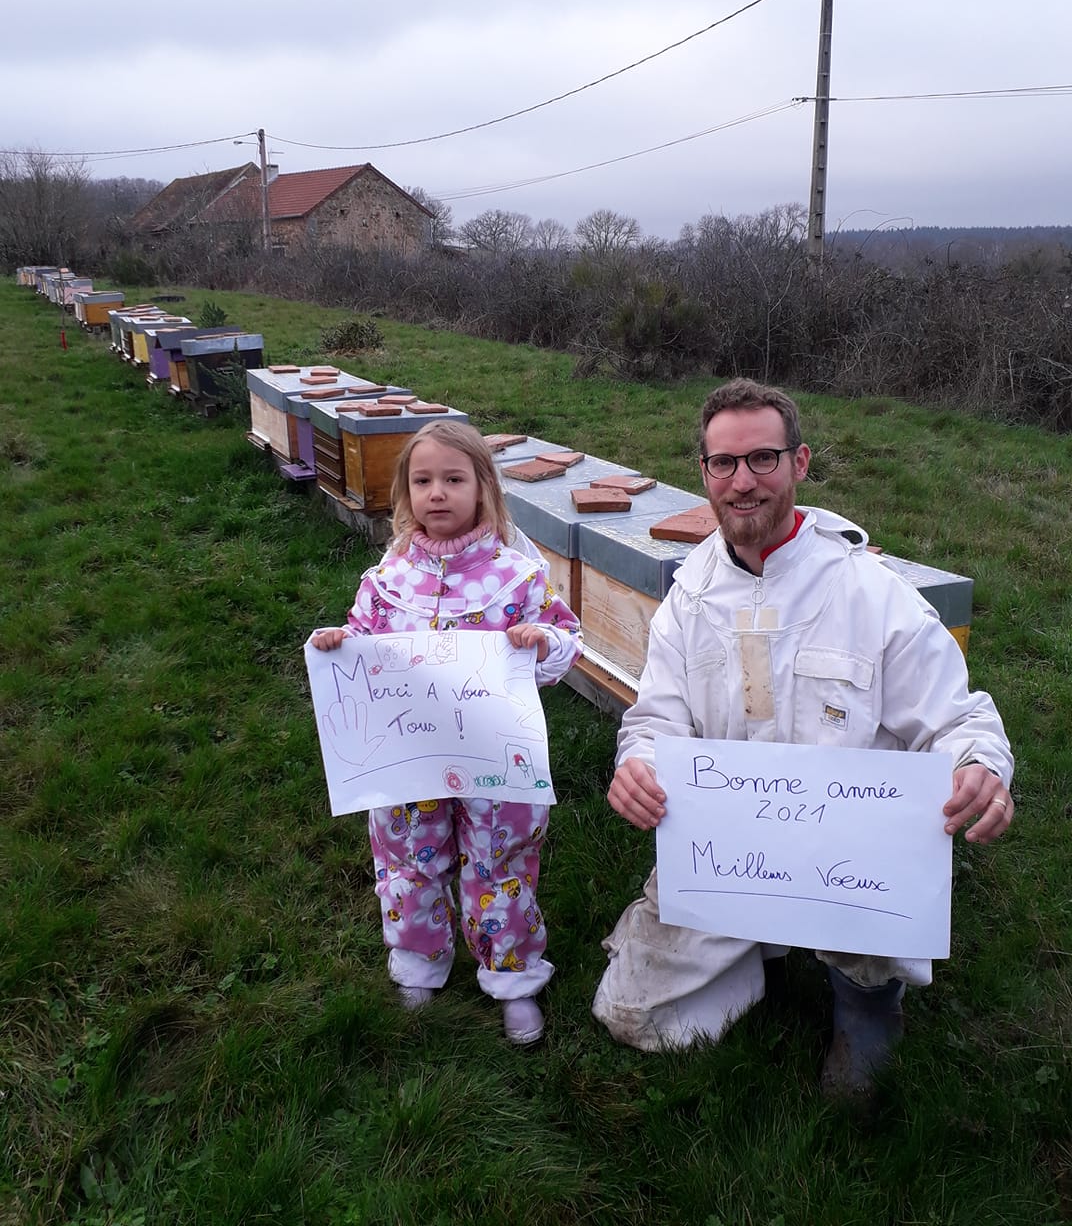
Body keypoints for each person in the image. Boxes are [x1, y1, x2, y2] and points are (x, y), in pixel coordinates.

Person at [591, 378, 1014, 1095]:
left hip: (851, 864)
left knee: (865, 1006)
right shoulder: (687, 600)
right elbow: (656, 719)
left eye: (763, 459)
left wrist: (980, 766)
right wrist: (637, 763)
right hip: (725, 855)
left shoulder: (870, 593)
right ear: (704, 473)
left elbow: (956, 715)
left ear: (800, 463)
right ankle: (756, 953)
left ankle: (866, 997)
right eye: (724, 464)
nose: (742, 481)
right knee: (630, 1014)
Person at [313, 420, 581, 1045]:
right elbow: (363, 639)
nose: (438, 492)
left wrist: (541, 642)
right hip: (409, 758)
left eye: (454, 479)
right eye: (423, 480)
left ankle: (511, 976)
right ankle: (418, 963)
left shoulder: (519, 574)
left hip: (495, 760)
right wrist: (340, 643)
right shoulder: (388, 578)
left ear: (483, 488)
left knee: (501, 860)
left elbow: (564, 637)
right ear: (406, 493)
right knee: (410, 855)